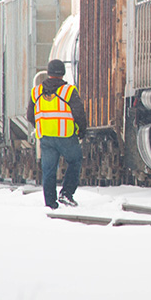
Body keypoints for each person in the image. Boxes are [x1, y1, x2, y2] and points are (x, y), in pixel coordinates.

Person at [31, 59, 88, 209]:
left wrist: (41, 126)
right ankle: (66, 193)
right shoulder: (68, 91)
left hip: (46, 138)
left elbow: (30, 115)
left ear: (48, 73)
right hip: (66, 137)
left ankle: (50, 202)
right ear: (62, 73)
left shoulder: (36, 92)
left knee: (49, 170)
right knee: (75, 161)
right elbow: (79, 113)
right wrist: (81, 130)